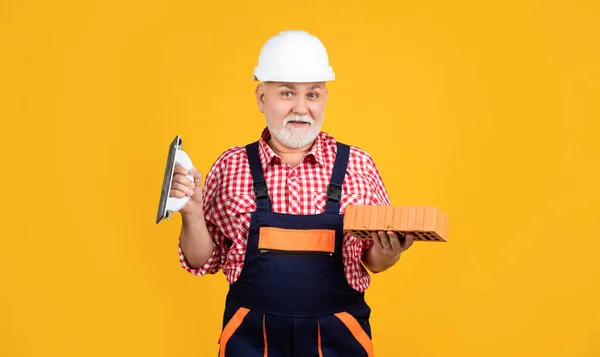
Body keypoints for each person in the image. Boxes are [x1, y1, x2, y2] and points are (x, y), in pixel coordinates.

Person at [171, 30, 415, 357]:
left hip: (339, 339)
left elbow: (375, 261)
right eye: (287, 93)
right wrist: (192, 213)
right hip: (250, 340)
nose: (301, 108)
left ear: (325, 97)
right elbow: (204, 259)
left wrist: (390, 250)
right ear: (261, 98)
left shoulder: (359, 165)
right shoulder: (231, 166)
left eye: (313, 95)